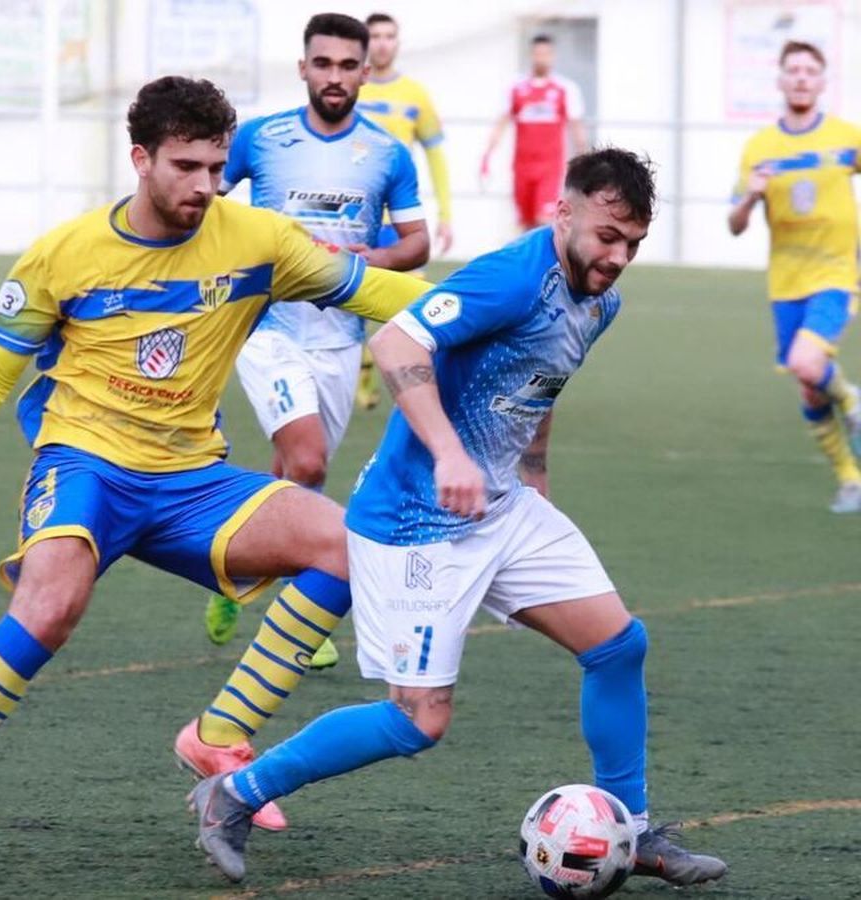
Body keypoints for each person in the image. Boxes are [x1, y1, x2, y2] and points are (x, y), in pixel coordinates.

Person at [0, 75, 431, 855]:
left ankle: (217, 737)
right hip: (86, 464)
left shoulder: (258, 240)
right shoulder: (64, 254)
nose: (205, 185)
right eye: (185, 167)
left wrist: (490, 305)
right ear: (140, 158)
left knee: (343, 543)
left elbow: (378, 290)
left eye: (214, 166)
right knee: (49, 608)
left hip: (193, 478)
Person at [188, 149, 728, 890]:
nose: (617, 257)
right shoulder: (511, 277)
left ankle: (632, 832)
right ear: (563, 212)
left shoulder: (602, 302)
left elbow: (538, 386)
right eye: (607, 236)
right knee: (417, 722)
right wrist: (447, 453)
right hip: (415, 521)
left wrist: (534, 481)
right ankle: (234, 794)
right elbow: (396, 340)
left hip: (502, 507)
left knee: (617, 646)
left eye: (632, 243)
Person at [199, 13, 427, 669]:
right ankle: (300, 605)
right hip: (267, 331)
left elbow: (417, 244)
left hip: (337, 340)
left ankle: (237, 574)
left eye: (346, 65)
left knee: (299, 471)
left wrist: (367, 258)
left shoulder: (387, 154)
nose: (334, 76)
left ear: (366, 70)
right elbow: (204, 202)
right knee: (305, 463)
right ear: (303, 68)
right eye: (321, 64)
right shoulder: (260, 139)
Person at [727, 40, 861, 513]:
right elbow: (735, 225)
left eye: (810, 70)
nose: (802, 77)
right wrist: (751, 196)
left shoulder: (847, 137)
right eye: (794, 70)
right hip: (786, 283)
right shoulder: (760, 149)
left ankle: (852, 401)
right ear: (781, 81)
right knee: (807, 385)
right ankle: (850, 477)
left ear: (822, 82)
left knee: (808, 364)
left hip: (838, 273)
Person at [354, 10, 456, 411]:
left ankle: (419, 387)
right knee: (350, 302)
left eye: (388, 36)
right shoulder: (350, 90)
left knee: (414, 307)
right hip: (356, 217)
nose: (381, 43)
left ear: (397, 42)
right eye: (374, 36)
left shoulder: (415, 95)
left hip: (399, 221)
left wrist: (445, 213)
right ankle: (362, 379)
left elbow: (435, 155)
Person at [481, 34, 589, 232]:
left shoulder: (565, 89)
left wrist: (585, 161)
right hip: (522, 166)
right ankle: (532, 263)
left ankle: (549, 262)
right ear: (531, 55)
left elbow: (576, 127)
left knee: (544, 219)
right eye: (538, 53)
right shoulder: (516, 88)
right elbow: (501, 122)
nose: (542, 58)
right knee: (525, 224)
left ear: (553, 56)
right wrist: (487, 155)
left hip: (550, 166)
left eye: (546, 54)